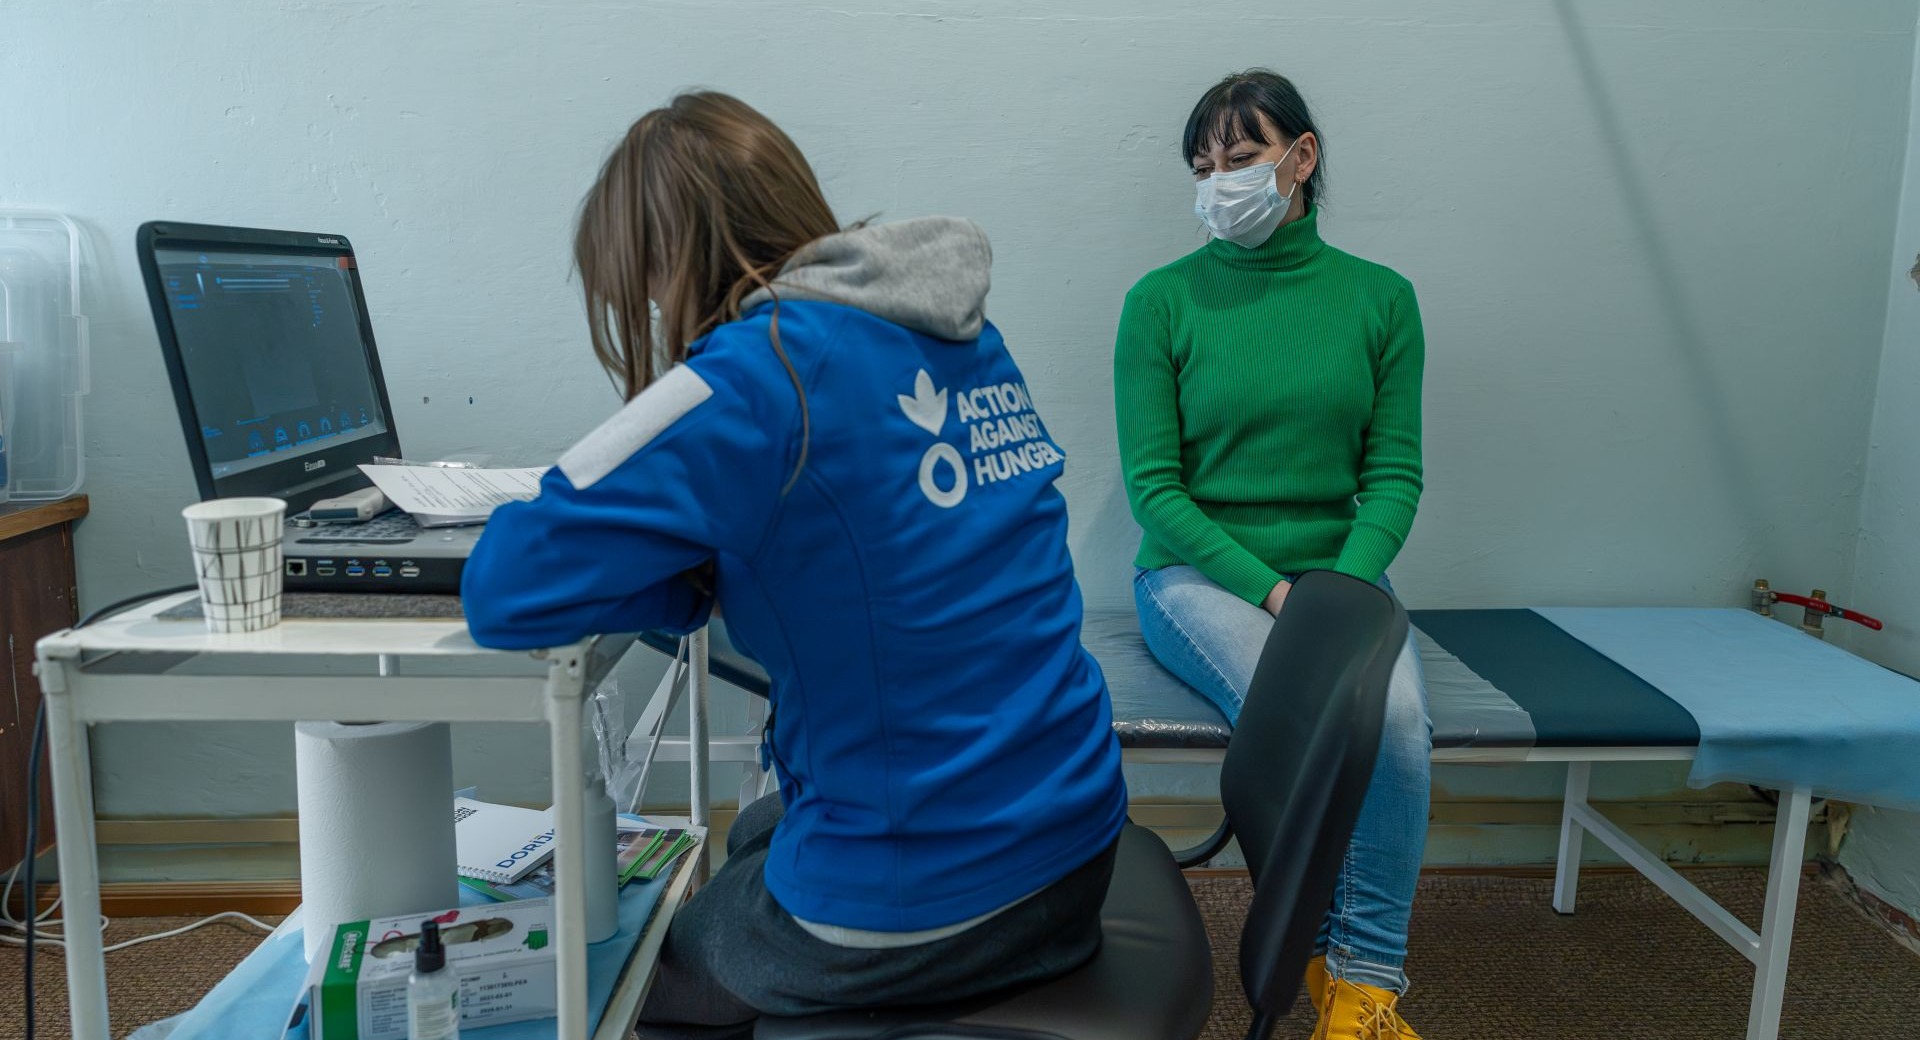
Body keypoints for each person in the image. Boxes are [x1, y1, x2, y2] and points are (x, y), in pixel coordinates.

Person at [461, 91, 1127, 1034]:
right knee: (754, 837)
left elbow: (504, 585)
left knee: (625, 980)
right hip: (1076, 831)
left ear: (669, 258)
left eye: (642, 281)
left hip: (939, 883)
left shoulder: (754, 372)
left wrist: (675, 583)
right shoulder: (959, 334)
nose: (650, 307)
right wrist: (698, 581)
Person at [1113, 69, 1432, 1039]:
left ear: (1302, 159)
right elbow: (1155, 489)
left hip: (1339, 580)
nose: (1219, 181)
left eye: (1241, 157)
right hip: (1196, 574)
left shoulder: (1382, 300)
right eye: (1203, 165)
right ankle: (1305, 942)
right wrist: (1276, 590)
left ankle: (1363, 983)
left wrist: (1332, 589)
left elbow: (1395, 475)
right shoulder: (1159, 302)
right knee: (1309, 722)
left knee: (1399, 725)